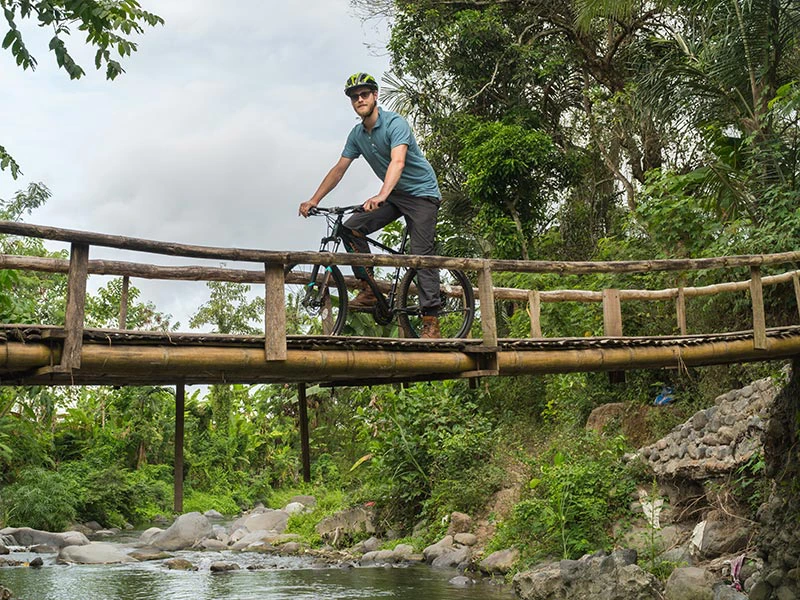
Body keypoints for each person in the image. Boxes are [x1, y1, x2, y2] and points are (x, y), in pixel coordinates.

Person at [299, 72, 443, 338]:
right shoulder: (357, 135)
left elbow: (398, 162)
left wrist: (381, 194)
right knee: (351, 228)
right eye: (354, 97)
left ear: (375, 96)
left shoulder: (394, 124)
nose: (359, 100)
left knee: (421, 256)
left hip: (422, 194)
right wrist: (314, 199)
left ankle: (431, 320)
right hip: (394, 194)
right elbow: (339, 169)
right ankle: (369, 288)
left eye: (364, 94)